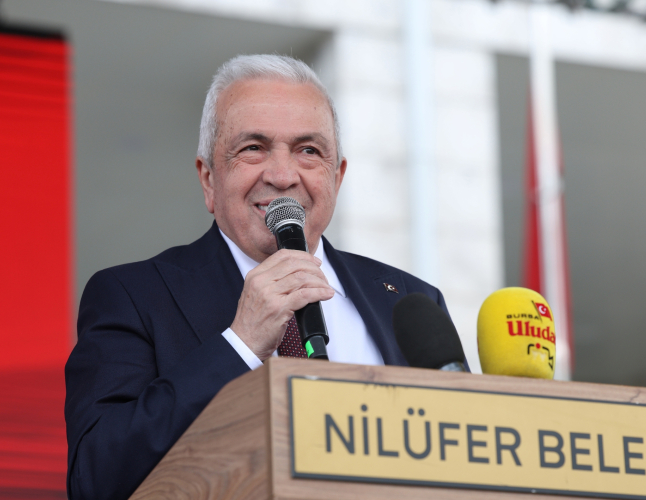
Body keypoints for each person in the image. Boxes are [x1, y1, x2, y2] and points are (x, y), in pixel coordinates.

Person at [64, 54, 450, 500]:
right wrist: (240, 345)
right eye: (253, 148)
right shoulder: (134, 297)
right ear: (209, 179)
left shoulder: (411, 301)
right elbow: (96, 478)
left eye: (309, 150)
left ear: (337, 177)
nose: (283, 176)